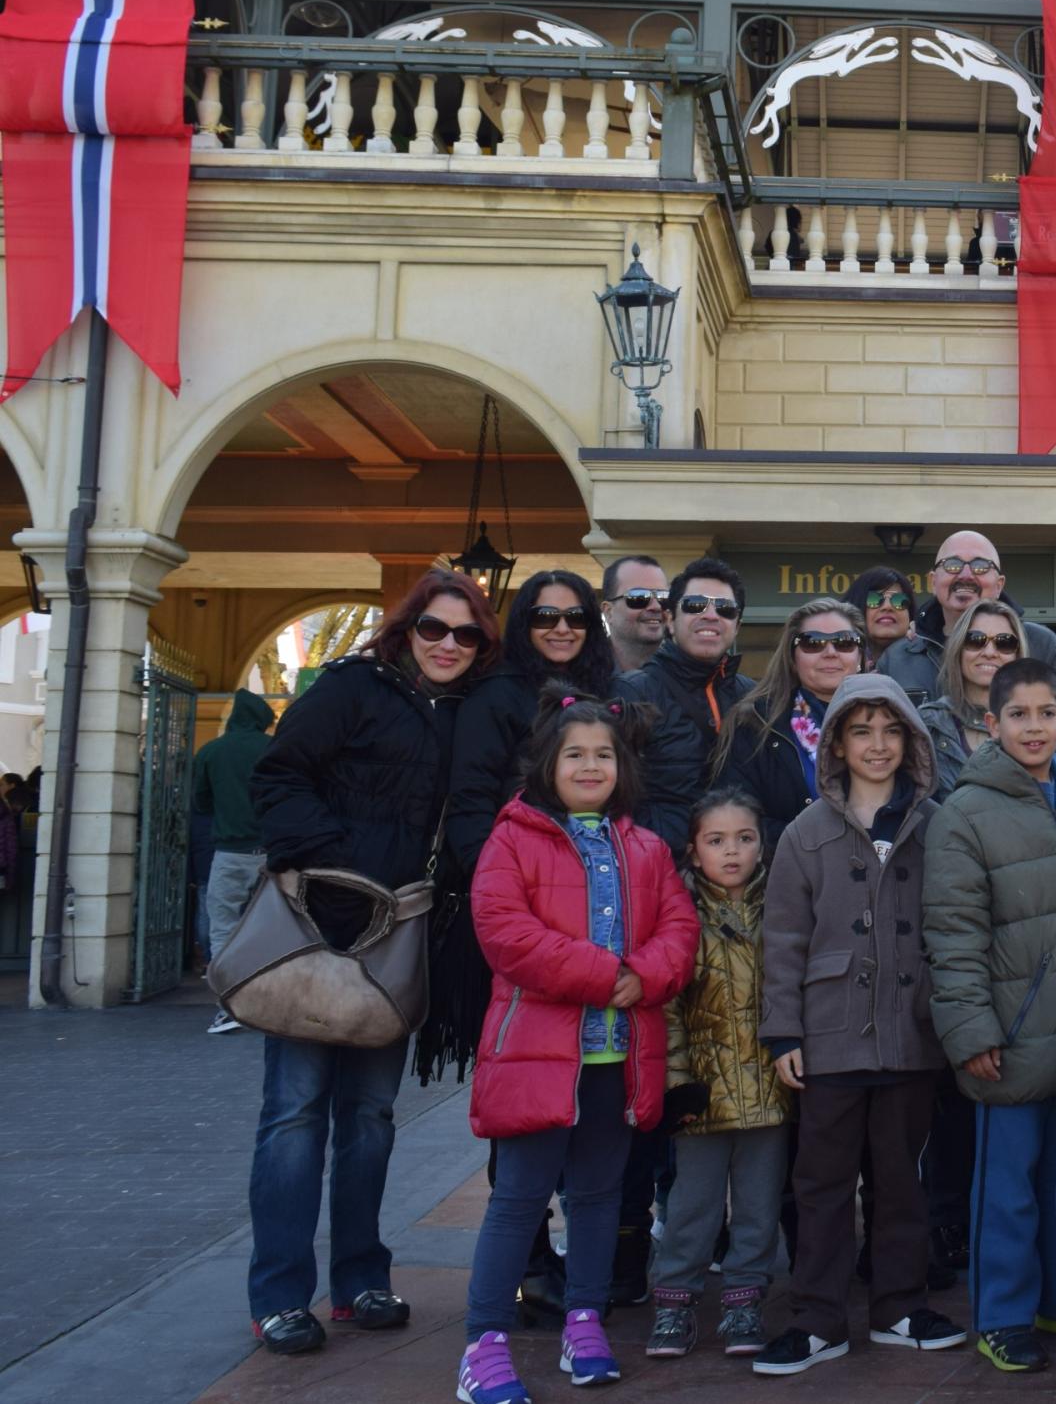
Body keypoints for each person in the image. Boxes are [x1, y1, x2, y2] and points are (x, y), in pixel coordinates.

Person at [244, 570, 494, 1357]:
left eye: (466, 634)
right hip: (318, 929)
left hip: (398, 935)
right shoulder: (353, 688)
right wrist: (334, 864)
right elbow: (278, 776)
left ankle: (358, 1279)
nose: (449, 645)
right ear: (406, 629)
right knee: (294, 1114)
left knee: (370, 1118)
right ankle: (281, 1293)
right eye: (434, 629)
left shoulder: (466, 714)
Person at [457, 692, 699, 1404]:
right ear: (547, 764)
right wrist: (608, 975)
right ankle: (485, 1342)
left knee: (598, 1195)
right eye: (575, 754)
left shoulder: (646, 846)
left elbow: (679, 930)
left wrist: (648, 976)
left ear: (622, 765)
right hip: (538, 1056)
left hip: (616, 1060)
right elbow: (504, 930)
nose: (590, 765)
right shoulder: (515, 836)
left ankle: (585, 1320)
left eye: (603, 754)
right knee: (519, 1199)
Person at [753, 675, 967, 1372]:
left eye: (891, 729)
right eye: (862, 730)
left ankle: (899, 1305)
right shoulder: (805, 832)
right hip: (831, 1035)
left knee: (902, 1178)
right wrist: (784, 1032)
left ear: (911, 741)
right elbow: (782, 938)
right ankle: (817, 1316)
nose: (877, 744)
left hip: (911, 1031)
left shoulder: (939, 824)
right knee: (820, 1182)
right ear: (838, 744)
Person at [924, 657, 1056, 1374]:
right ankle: (1001, 1313)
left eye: (1046, 713)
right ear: (989, 724)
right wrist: (971, 1030)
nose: (1033, 726)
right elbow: (952, 933)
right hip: (1008, 1035)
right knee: (1005, 1187)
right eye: (1017, 714)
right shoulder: (965, 814)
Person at [436, 570, 618, 1081]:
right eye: (545, 616)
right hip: (523, 901)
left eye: (575, 616)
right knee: (525, 1070)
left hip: (599, 897)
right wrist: (498, 889)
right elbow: (469, 800)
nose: (562, 628)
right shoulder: (495, 695)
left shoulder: (604, 690)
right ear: (523, 622)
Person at [647, 790, 787, 1362]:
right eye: (716, 840)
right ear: (693, 850)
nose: (732, 851)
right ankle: (674, 1303)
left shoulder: (782, 907)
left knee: (759, 1206)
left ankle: (743, 1300)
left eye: (745, 838)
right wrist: (678, 1084)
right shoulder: (680, 914)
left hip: (770, 1089)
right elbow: (668, 1009)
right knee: (691, 1206)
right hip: (701, 1095)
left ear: (762, 844)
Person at [615, 557, 755, 853]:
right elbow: (612, 797)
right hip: (662, 872)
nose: (711, 615)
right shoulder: (632, 693)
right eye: (695, 605)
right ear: (669, 620)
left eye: (725, 609)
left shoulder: (753, 698)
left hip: (739, 877)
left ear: (737, 625)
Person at [714, 597, 868, 852]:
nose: (830, 652)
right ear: (792, 658)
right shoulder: (754, 723)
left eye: (844, 642)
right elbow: (737, 818)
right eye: (812, 643)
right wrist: (809, 843)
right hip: (790, 875)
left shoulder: (893, 721)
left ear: (860, 655)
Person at [876, 531, 1056, 720]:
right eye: (952, 565)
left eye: (980, 566)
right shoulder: (898, 659)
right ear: (933, 581)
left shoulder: (1044, 646)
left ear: (999, 584)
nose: (965, 575)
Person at [919, 599, 1056, 795]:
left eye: (1004, 642)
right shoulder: (929, 726)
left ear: (1018, 654)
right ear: (958, 649)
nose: (990, 652)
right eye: (975, 640)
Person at [194, 687, 276, 1033]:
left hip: (229, 853)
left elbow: (200, 802)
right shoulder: (273, 748)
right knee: (273, 930)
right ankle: (272, 1003)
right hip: (272, 855)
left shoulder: (212, 751)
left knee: (223, 930)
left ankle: (229, 1006)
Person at [601, 555, 673, 675]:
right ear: (609, 612)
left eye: (663, 597)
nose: (656, 607)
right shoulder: (580, 678)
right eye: (638, 597)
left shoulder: (690, 676)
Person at [851, 566, 920, 669]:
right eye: (874, 599)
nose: (887, 607)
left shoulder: (929, 657)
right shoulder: (837, 661)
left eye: (899, 600)